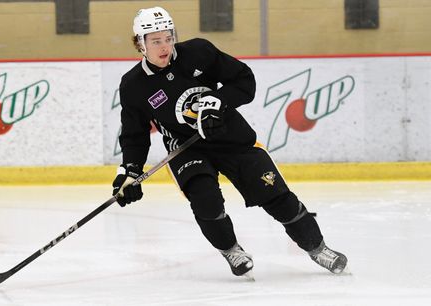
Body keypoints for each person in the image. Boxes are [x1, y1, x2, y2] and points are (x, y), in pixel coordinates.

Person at [111, 6, 347, 279]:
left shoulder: (199, 52)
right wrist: (129, 171)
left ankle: (318, 248)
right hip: (187, 149)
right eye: (155, 41)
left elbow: (244, 80)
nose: (164, 46)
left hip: (231, 138)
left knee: (276, 196)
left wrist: (218, 102)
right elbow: (134, 134)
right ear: (140, 44)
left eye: (168, 38)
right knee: (206, 202)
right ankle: (231, 249)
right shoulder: (133, 85)